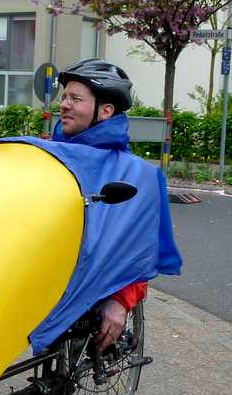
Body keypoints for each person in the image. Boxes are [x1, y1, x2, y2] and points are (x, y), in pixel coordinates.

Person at [48, 58, 181, 348]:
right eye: (64, 97)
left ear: (106, 111)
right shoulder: (47, 157)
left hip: (96, 285)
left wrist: (122, 301)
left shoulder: (136, 175)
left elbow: (139, 247)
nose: (65, 105)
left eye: (75, 98)